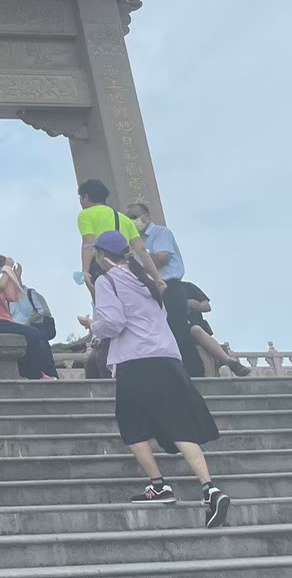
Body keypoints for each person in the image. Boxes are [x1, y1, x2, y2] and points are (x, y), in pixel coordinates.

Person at [76, 230, 231, 527]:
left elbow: (114, 323)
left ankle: (158, 485)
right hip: (167, 358)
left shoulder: (107, 281)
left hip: (136, 361)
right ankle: (210, 489)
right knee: (179, 425)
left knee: (132, 426)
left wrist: (92, 325)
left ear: (101, 256)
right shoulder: (144, 279)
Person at [126, 203, 249, 378]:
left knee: (179, 331)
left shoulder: (160, 233)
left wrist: (138, 260)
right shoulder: (136, 242)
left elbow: (161, 259)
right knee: (163, 332)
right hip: (151, 290)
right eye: (128, 218)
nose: (132, 221)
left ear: (147, 215)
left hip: (169, 287)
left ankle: (194, 373)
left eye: (135, 216)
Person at [0, 251, 58, 379]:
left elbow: (12, 296)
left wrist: (14, 276)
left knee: (38, 337)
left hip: (5, 321)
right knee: (34, 334)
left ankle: (43, 373)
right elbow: (0, 287)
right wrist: (7, 269)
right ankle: (33, 374)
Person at [76, 180, 163, 295]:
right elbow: (142, 250)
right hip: (128, 267)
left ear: (86, 197)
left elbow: (88, 242)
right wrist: (157, 278)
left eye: (81, 198)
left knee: (107, 300)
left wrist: (85, 271)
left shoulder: (86, 214)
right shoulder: (124, 218)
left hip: (102, 265)